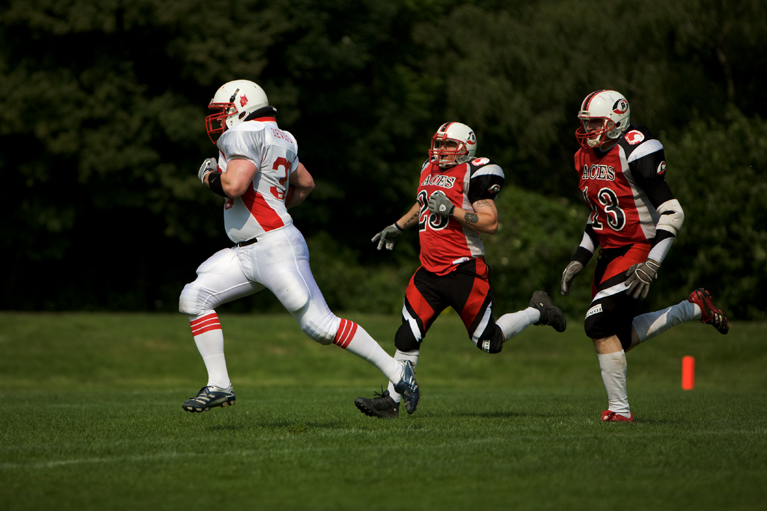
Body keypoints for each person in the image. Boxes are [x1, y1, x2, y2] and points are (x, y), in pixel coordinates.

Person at [179, 79, 420, 414]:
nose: (220, 120)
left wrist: (208, 176)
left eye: (224, 112)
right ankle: (219, 384)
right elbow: (306, 184)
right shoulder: (281, 136)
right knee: (194, 297)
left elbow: (233, 185)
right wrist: (274, 207)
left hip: (274, 248)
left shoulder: (242, 134)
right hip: (249, 250)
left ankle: (398, 372)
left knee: (320, 326)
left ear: (241, 108)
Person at [354, 122, 566, 419]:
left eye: (448, 145)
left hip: (464, 271)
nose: (440, 150)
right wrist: (398, 226)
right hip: (429, 272)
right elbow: (423, 204)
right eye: (438, 144)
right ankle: (390, 402)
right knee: (406, 337)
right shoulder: (428, 168)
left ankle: (536, 310)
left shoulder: (473, 173)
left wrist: (452, 210)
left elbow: (490, 222)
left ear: (466, 147)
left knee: (488, 342)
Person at [560, 90, 729, 423]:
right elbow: (599, 217)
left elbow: (673, 212)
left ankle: (619, 412)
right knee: (615, 337)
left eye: (596, 122)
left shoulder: (634, 150)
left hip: (637, 248)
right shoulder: (584, 157)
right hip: (608, 253)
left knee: (597, 323)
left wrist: (652, 261)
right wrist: (580, 257)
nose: (588, 130)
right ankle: (693, 307)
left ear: (617, 121)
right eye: (586, 123)